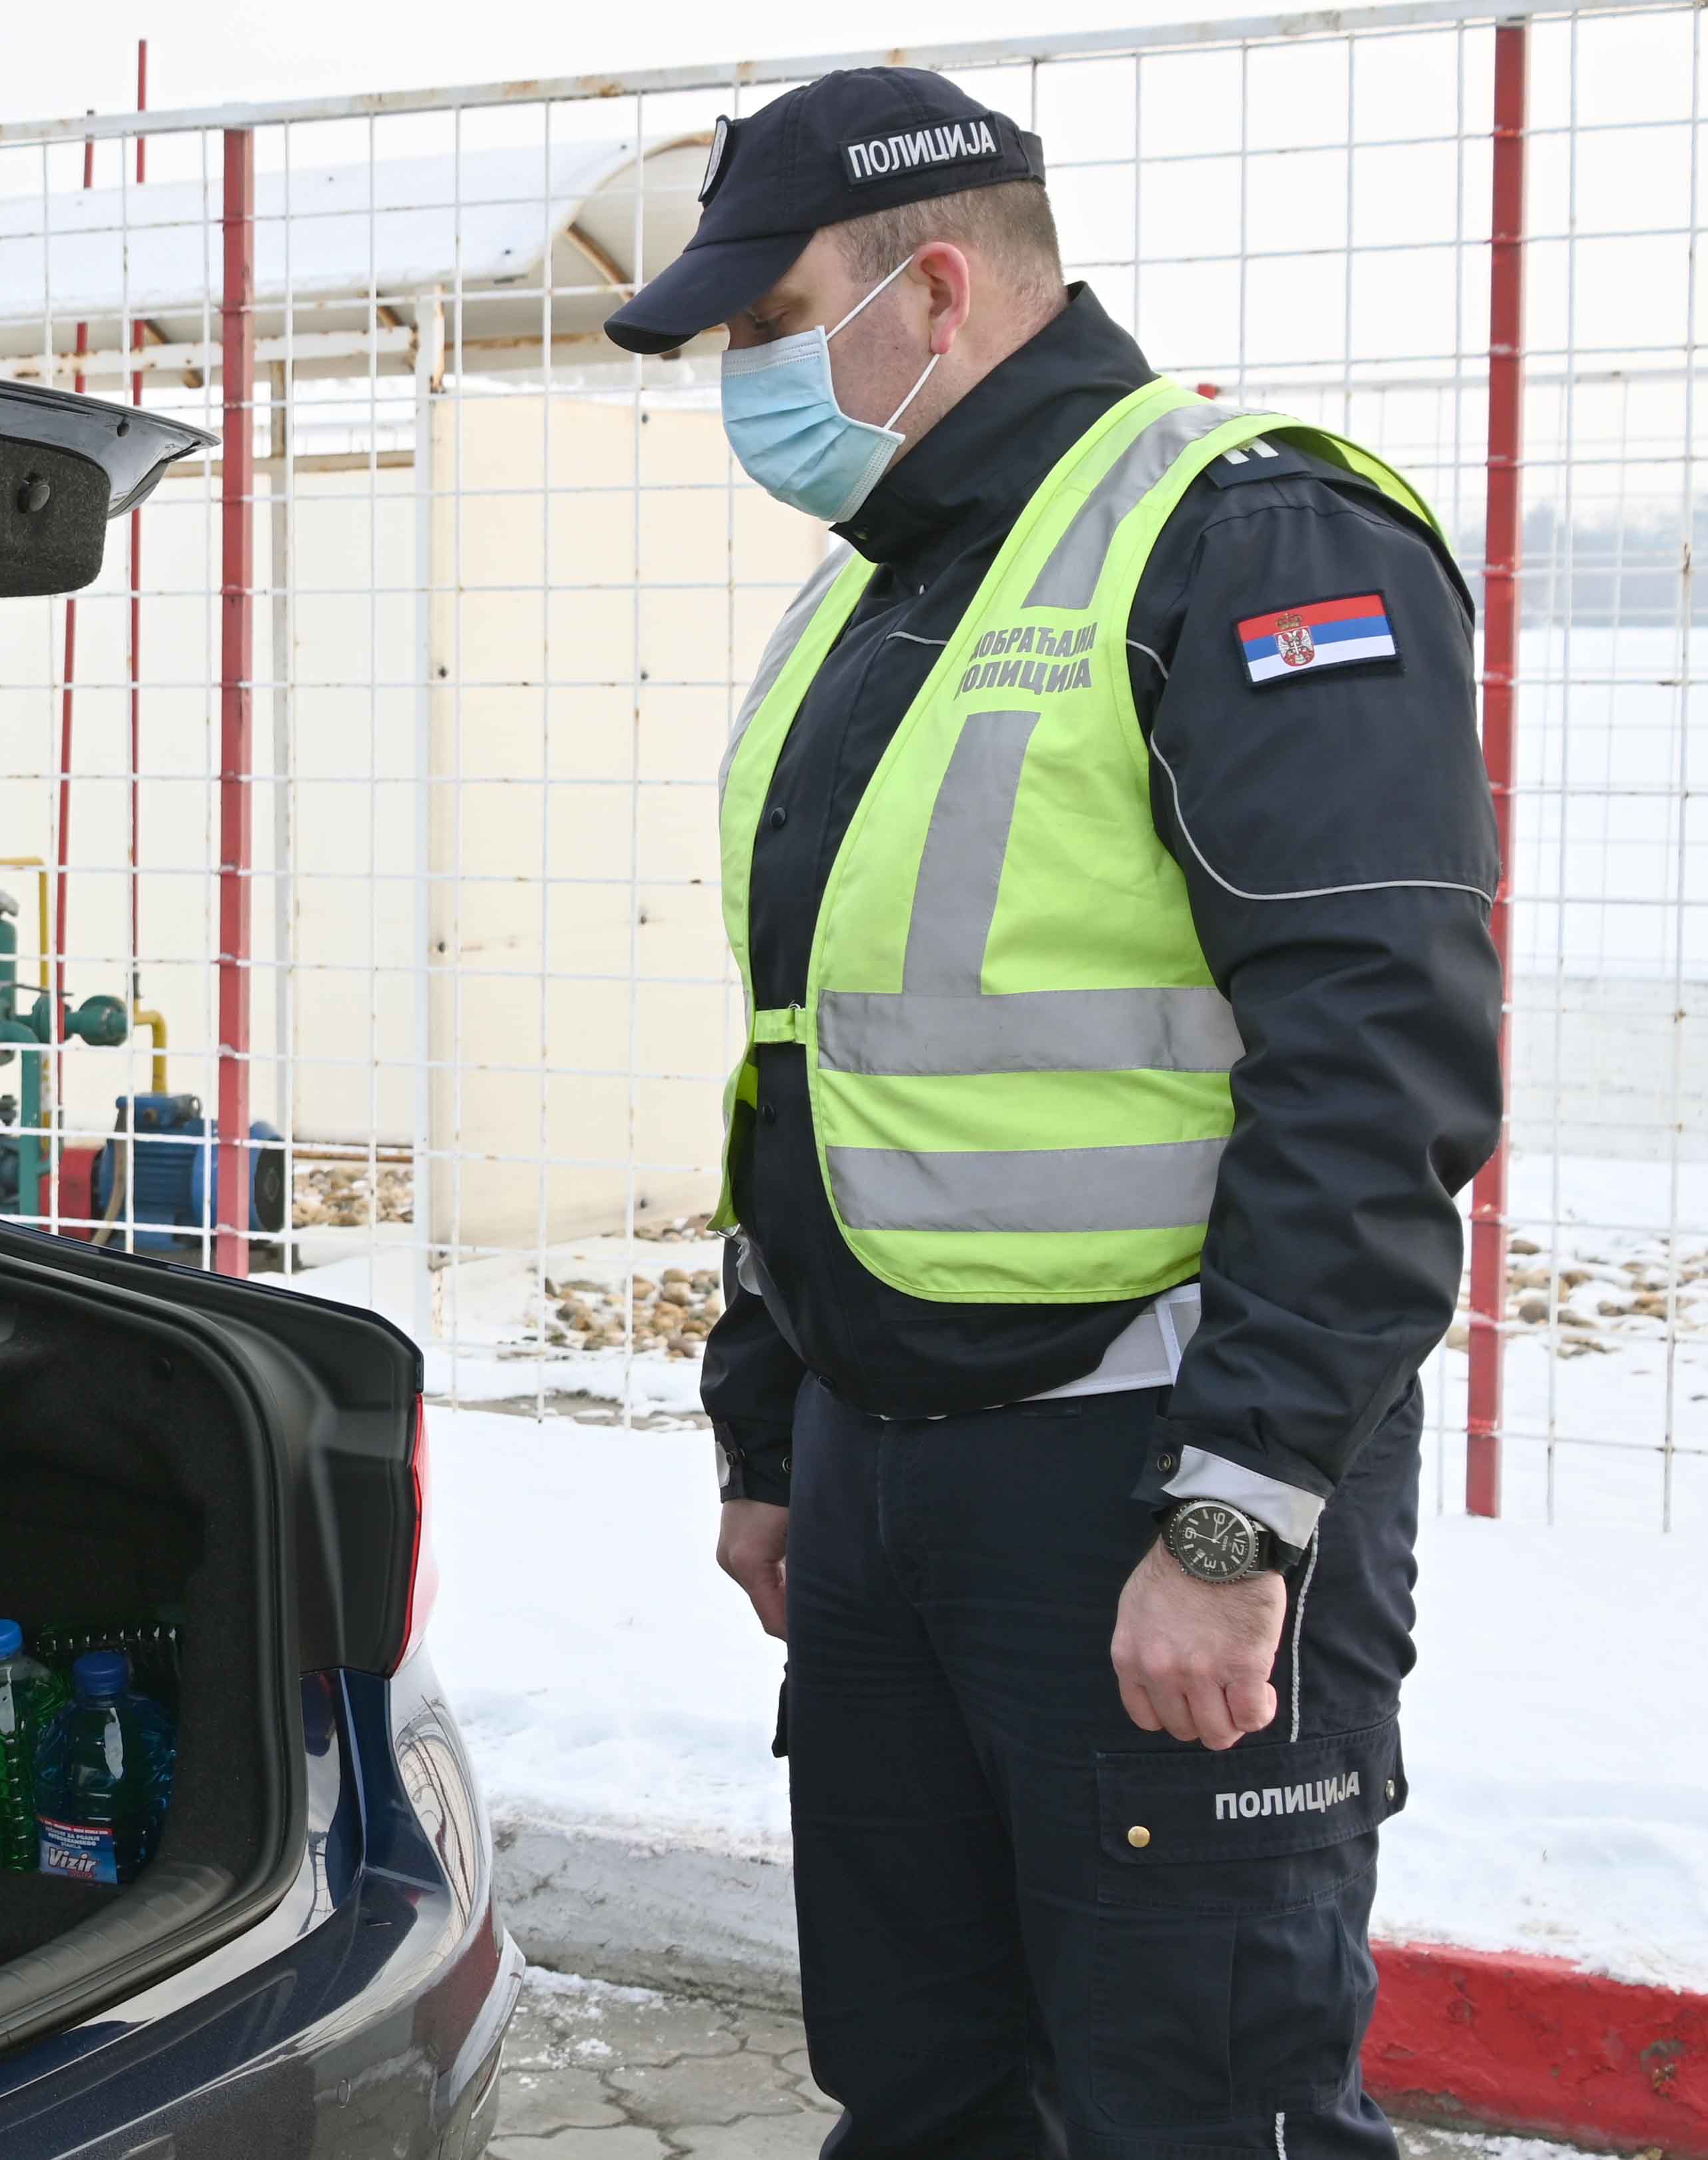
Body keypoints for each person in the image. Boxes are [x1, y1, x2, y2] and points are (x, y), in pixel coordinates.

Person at [602, 65, 1499, 2160]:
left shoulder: (1246, 531)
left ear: (931, 290)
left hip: (1147, 1482)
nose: (744, 386)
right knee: (920, 2094)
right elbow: (804, 1061)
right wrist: (769, 1433)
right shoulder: (874, 581)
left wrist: (1233, 1522)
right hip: (886, 1487)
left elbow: (1370, 1073)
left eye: (762, 329)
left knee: (1192, 2109)